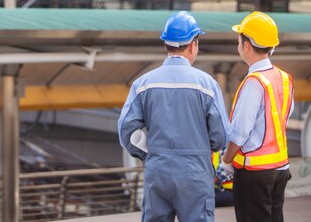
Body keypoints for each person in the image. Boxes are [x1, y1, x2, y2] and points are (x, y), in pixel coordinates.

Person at [118, 11, 230, 222]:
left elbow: (126, 130)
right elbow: (221, 135)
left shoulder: (143, 84)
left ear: (166, 44)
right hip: (195, 171)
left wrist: (149, 153)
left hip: (158, 169)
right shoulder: (207, 85)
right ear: (193, 45)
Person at [219, 11, 294, 222]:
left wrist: (226, 162)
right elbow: (282, 119)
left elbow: (240, 132)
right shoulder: (285, 79)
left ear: (246, 46)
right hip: (280, 169)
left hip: (254, 172)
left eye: (239, 40)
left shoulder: (254, 82)